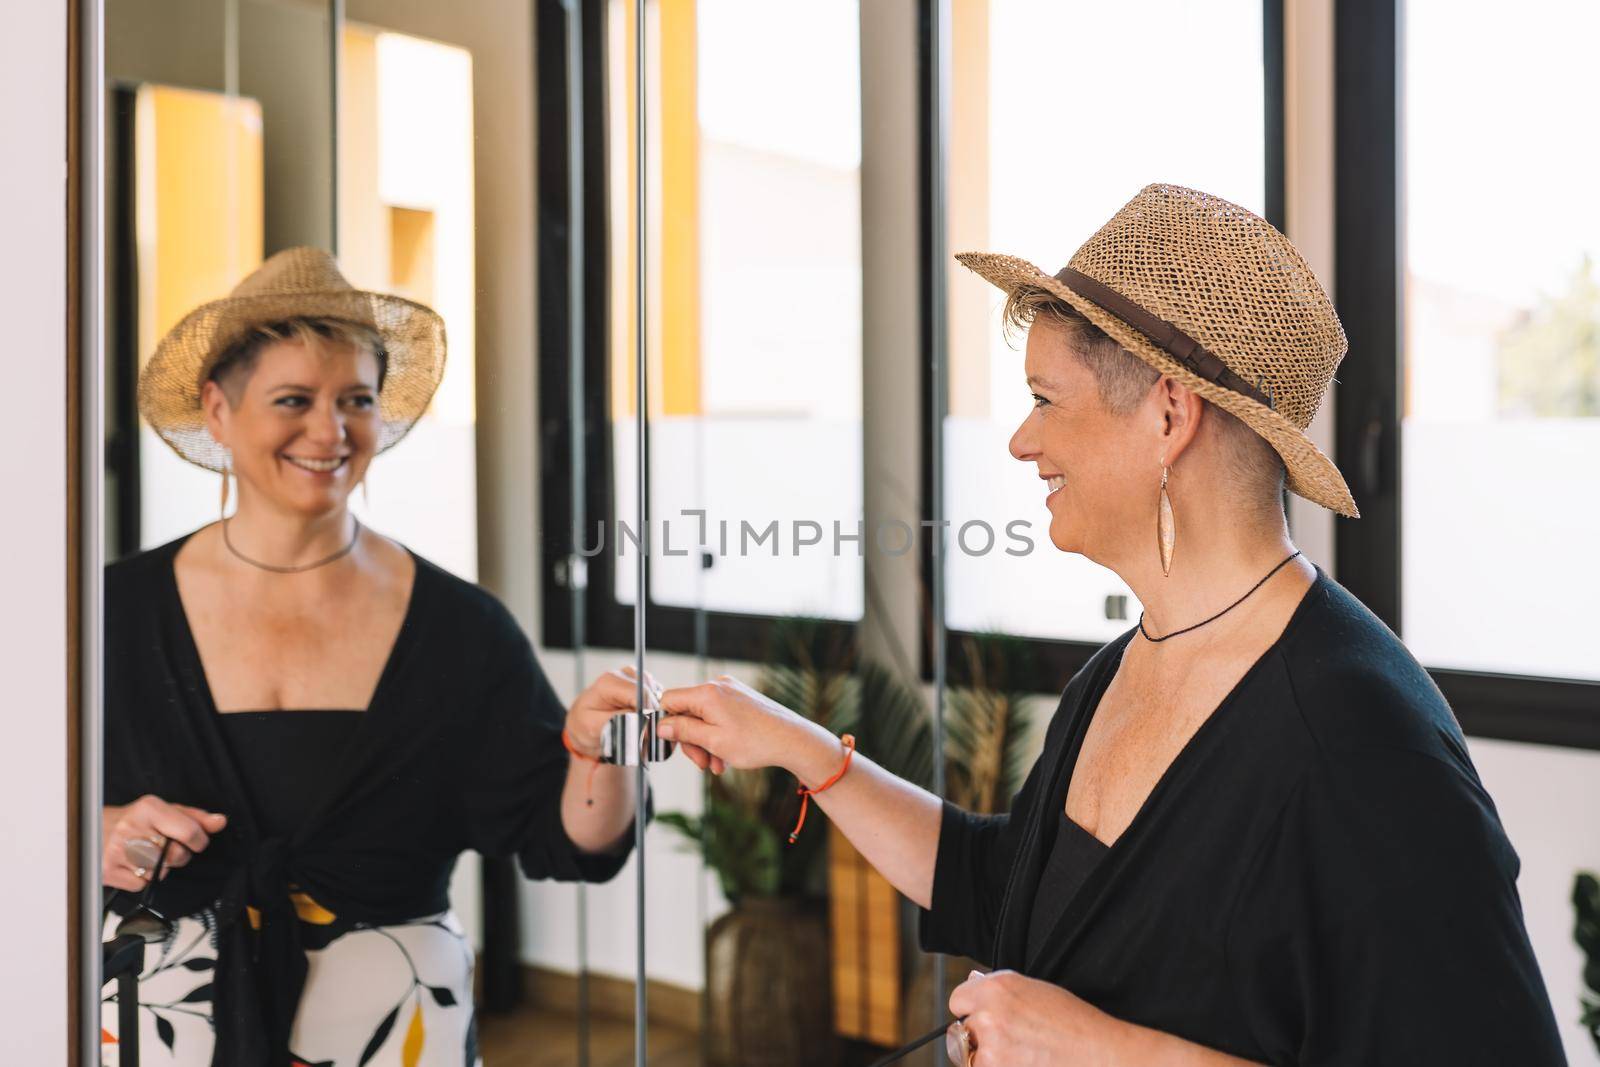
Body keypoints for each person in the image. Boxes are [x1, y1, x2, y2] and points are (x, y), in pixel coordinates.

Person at [656, 185, 1565, 1065]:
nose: (1021, 439)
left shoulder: (1363, 743)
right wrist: (798, 745)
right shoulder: (1115, 674)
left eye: (1046, 399)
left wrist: (1106, 1051)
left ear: (1170, 414)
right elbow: (1002, 882)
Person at [101, 247, 647, 1066]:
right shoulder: (111, 614)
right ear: (218, 410)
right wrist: (98, 829)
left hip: (398, 1025)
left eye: (356, 400)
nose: (331, 431)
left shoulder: (463, 629)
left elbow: (570, 840)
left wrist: (607, 746)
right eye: (295, 399)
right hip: (159, 1018)